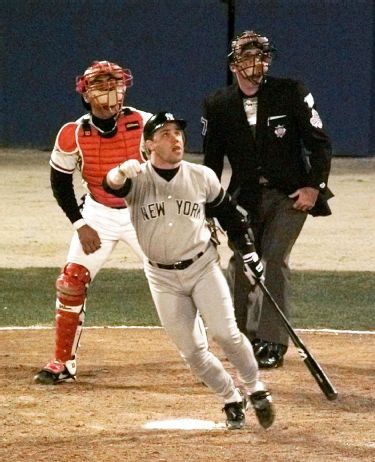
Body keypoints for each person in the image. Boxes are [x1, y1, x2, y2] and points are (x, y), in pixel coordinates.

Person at [102, 111, 275, 430]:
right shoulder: (137, 179)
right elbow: (110, 188)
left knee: (226, 333)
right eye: (165, 134)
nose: (176, 138)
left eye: (178, 133)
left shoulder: (201, 176)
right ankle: (231, 397)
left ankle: (256, 389)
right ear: (150, 144)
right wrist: (117, 174)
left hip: (203, 267)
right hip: (162, 278)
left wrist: (249, 252)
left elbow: (230, 217)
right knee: (193, 353)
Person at [202, 31, 333, 369]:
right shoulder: (217, 104)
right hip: (243, 196)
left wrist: (314, 187)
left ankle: (272, 341)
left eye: (261, 57)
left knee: (273, 259)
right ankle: (239, 337)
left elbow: (319, 143)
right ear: (234, 65)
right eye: (247, 58)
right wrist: (209, 206)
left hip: (289, 194)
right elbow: (212, 163)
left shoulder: (291, 92)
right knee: (243, 263)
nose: (255, 64)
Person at [34, 60, 152, 384]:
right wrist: (79, 224)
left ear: (124, 87)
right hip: (99, 212)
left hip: (143, 212)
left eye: (113, 84)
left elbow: (173, 169)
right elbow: (60, 184)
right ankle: (62, 363)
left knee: (181, 282)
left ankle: (206, 356)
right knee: (71, 280)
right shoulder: (72, 134)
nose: (109, 92)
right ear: (86, 94)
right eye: (100, 85)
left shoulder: (146, 123)